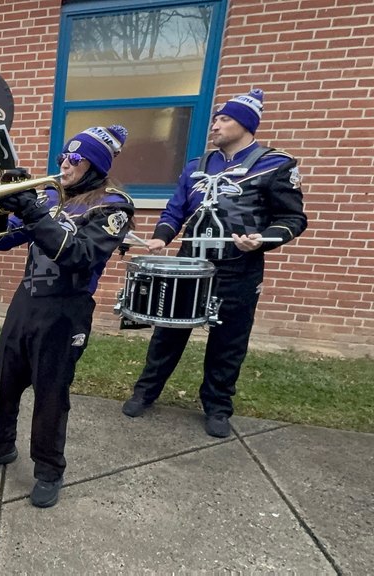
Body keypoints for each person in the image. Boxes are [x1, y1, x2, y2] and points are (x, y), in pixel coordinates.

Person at [122, 89, 307, 438]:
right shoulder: (197, 166)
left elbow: (292, 218)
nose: (216, 125)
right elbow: (176, 208)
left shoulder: (276, 165)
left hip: (239, 266)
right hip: (189, 264)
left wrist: (262, 239)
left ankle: (218, 407)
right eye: (216, 118)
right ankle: (145, 393)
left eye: (224, 119)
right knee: (168, 333)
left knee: (229, 341)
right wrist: (163, 235)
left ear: (246, 125)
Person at [0, 125, 135, 509]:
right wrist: (1, 211)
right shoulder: (53, 199)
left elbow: (79, 254)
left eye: (74, 158)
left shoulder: (113, 206)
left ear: (96, 164)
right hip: (27, 300)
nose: (64, 163)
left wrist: (32, 210)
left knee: (50, 394)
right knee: (4, 383)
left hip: (66, 309)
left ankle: (48, 469)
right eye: (62, 156)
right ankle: (2, 446)